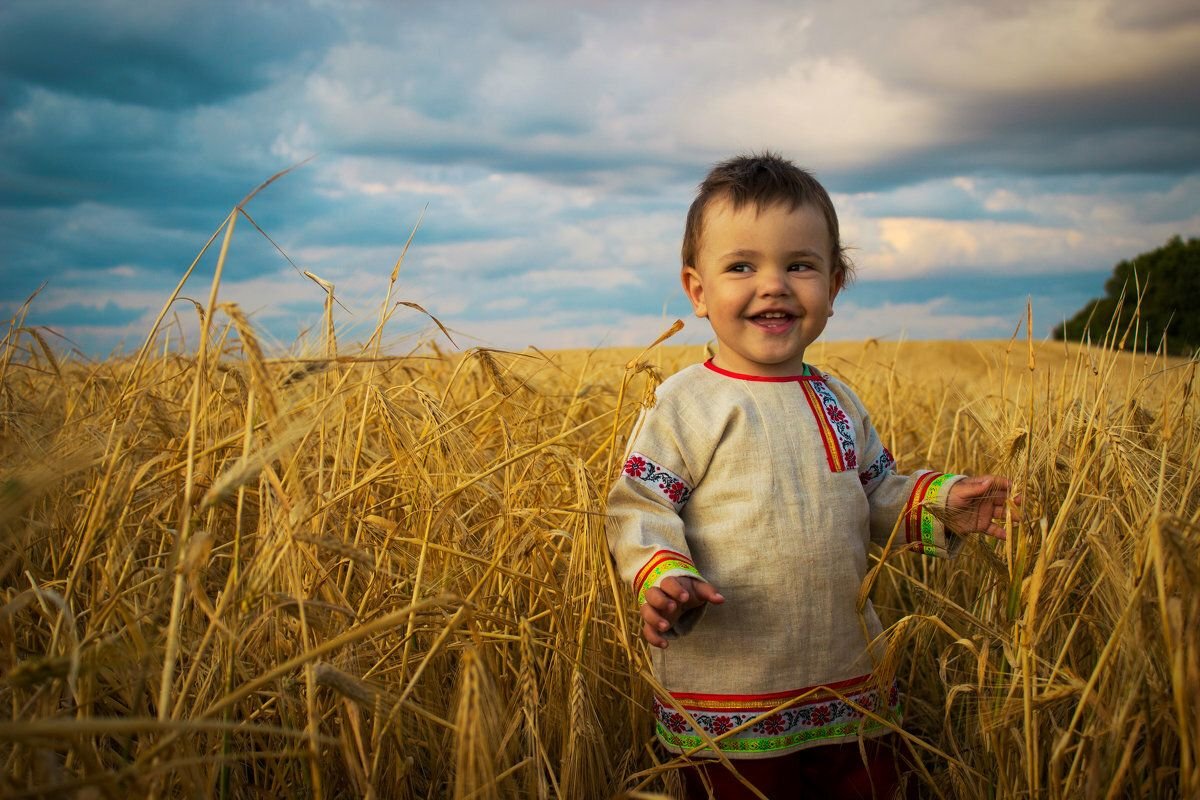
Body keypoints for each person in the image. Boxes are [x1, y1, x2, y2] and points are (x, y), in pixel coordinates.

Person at [605, 153, 1016, 799]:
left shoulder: (839, 399)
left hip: (846, 679)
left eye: (799, 264)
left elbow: (877, 494)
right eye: (742, 266)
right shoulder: (687, 403)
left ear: (835, 281)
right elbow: (640, 503)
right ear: (698, 290)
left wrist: (940, 501)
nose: (773, 285)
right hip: (730, 696)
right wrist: (665, 574)